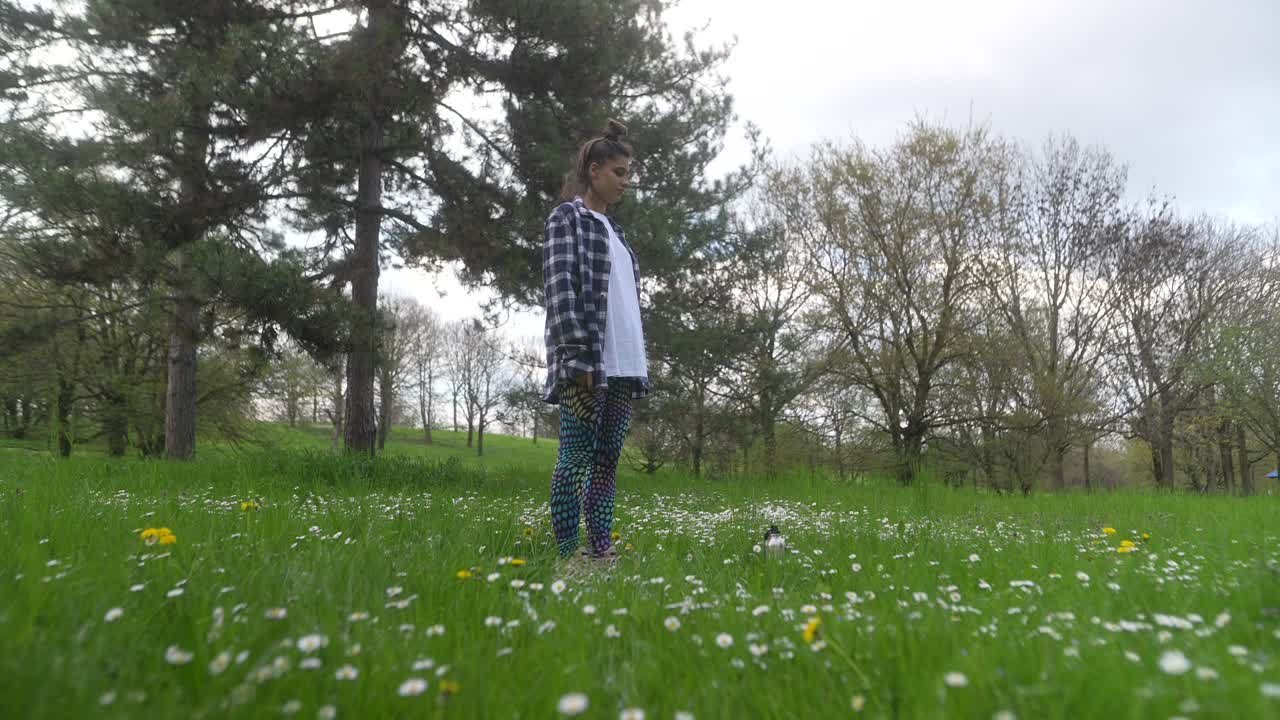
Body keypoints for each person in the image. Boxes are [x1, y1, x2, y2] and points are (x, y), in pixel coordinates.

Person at [541, 119, 650, 562]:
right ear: (594, 171)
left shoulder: (618, 235)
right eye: (618, 173)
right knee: (574, 459)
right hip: (588, 362)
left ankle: (600, 553)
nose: (625, 182)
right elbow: (559, 289)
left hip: (625, 367)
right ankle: (568, 555)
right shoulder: (568, 218)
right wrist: (578, 355)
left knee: (606, 463)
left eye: (627, 174)